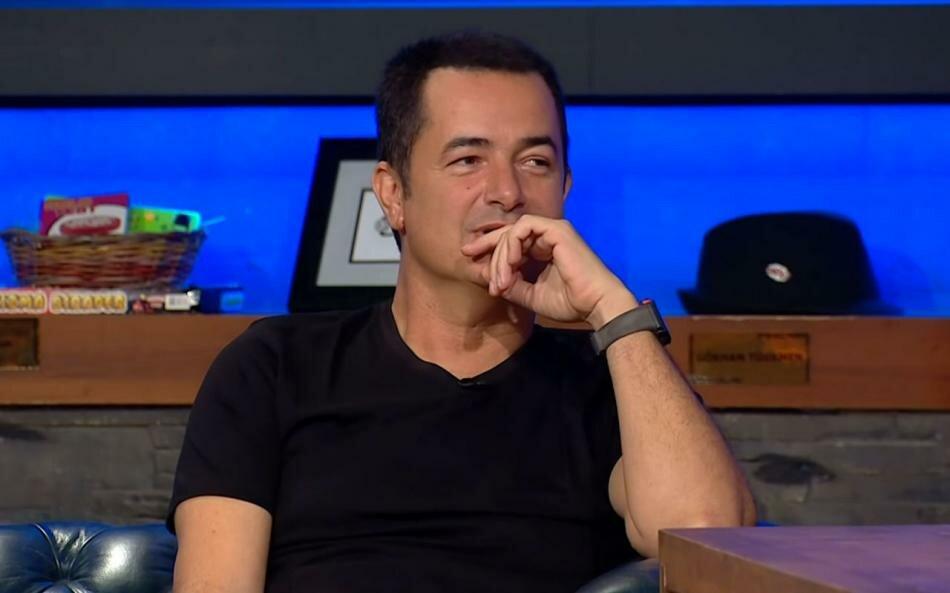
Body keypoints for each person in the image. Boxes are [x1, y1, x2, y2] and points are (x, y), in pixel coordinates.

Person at [167, 31, 756, 593]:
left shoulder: (606, 385)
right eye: (469, 159)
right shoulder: (275, 368)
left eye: (535, 162)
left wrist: (613, 310)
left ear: (565, 189)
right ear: (393, 194)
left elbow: (708, 540)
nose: (507, 192)